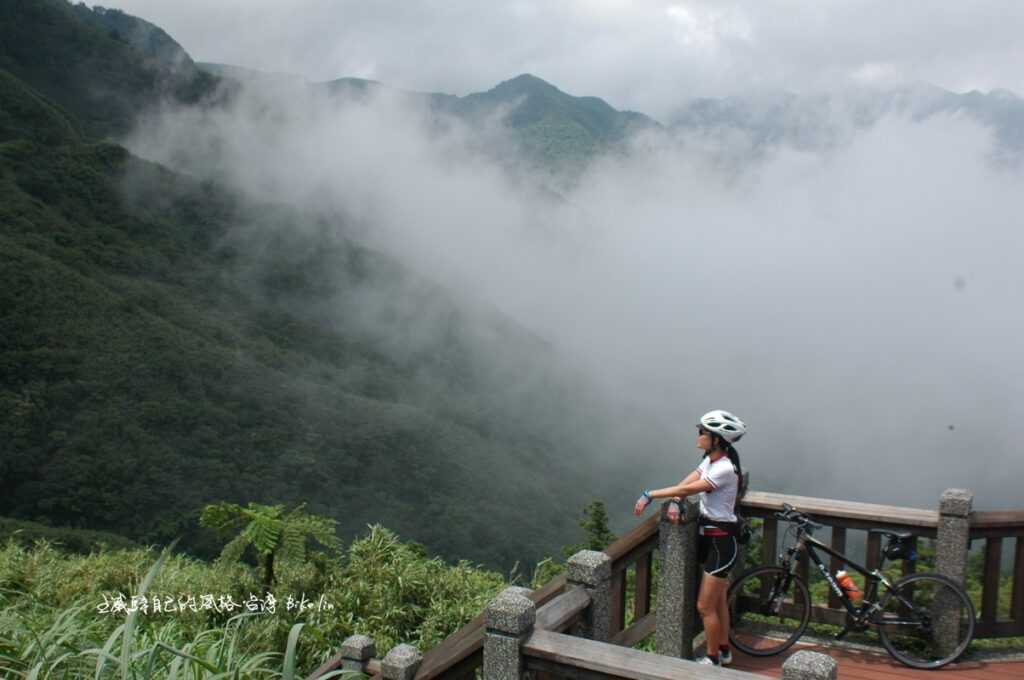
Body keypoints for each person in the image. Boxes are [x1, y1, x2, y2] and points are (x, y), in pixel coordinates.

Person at [633, 409, 747, 666]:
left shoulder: (724, 469)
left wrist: (650, 493)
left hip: (721, 542)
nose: (698, 436)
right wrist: (675, 499)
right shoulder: (712, 460)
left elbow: (689, 487)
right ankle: (725, 650)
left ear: (716, 439)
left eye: (702, 433)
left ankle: (713, 657)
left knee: (705, 607)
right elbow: (689, 480)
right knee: (718, 601)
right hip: (712, 538)